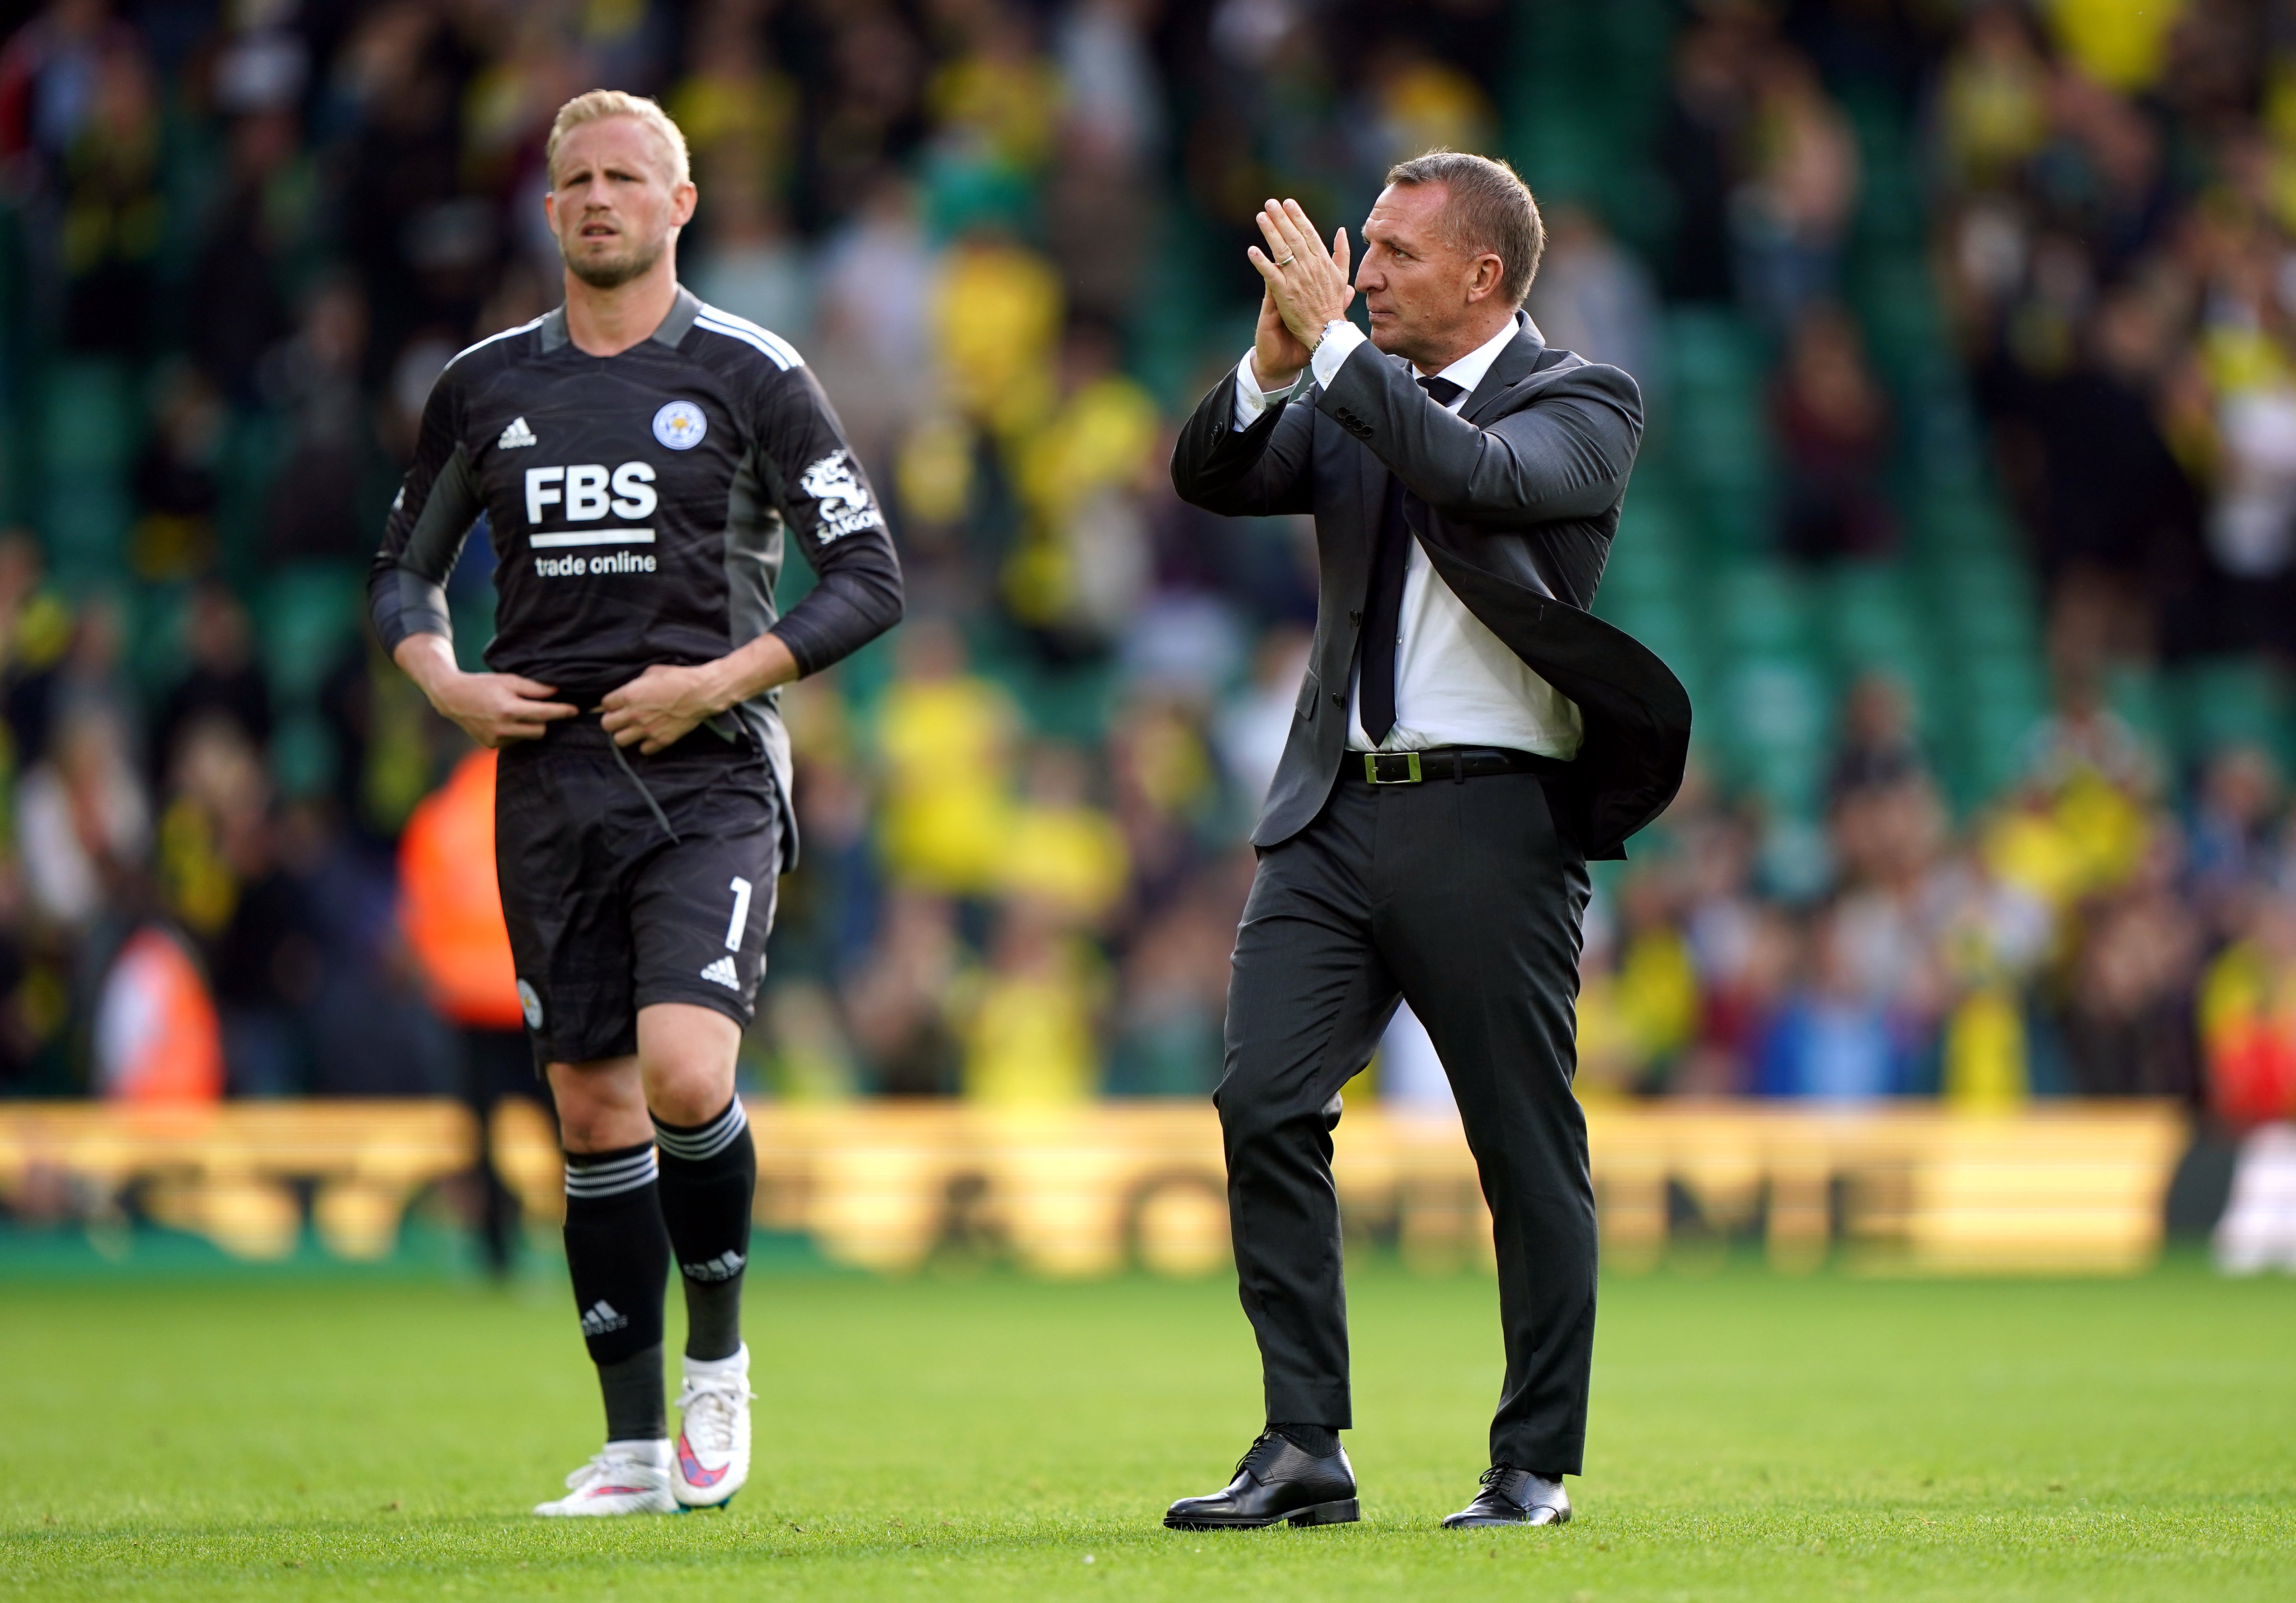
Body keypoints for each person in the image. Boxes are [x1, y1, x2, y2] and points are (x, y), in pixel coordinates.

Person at [368, 90, 902, 1517]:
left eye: (628, 177)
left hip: (711, 772)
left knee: (683, 1074)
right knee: (593, 1115)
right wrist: (446, 682)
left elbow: (869, 576)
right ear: (549, 211)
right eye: (575, 179)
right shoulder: (483, 385)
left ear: (681, 205)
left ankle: (717, 1366)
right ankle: (626, 1448)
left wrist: (720, 677)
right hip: (547, 783)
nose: (599, 197)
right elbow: (401, 575)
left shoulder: (751, 370)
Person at [1165, 153, 1686, 1531]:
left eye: (1396, 253)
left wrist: (1335, 348)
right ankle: (1302, 1446)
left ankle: (1532, 1464)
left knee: (1521, 1145)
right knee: (1262, 1100)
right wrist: (1277, 360)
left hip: (1494, 816)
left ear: (1484, 278)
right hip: (1330, 811)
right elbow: (1211, 473)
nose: (1366, 270)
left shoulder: (1585, 399)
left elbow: (1474, 468)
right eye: (1365, 250)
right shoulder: (1346, 381)